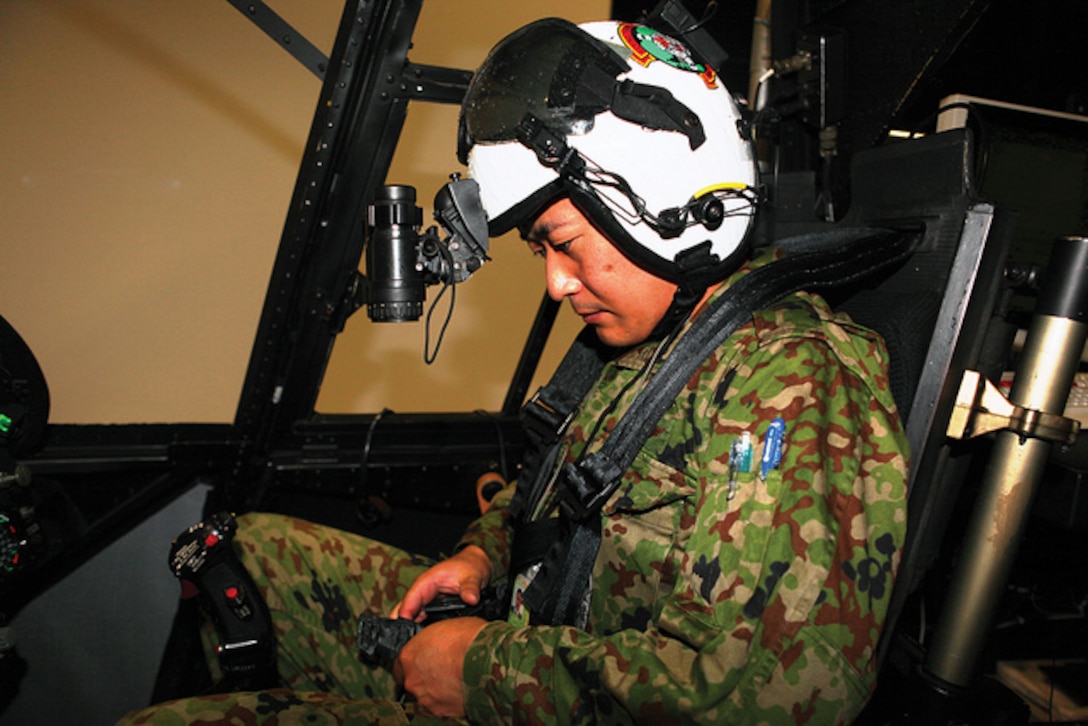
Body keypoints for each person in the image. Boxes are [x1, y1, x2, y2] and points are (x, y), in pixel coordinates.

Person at [121, 17, 908, 726]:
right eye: (543, 252)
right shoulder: (646, 341)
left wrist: (481, 674)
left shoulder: (791, 379)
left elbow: (775, 695)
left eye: (563, 242)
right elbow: (560, 499)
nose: (557, 285)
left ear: (665, 204)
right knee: (248, 551)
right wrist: (480, 556)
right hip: (528, 635)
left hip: (530, 689)